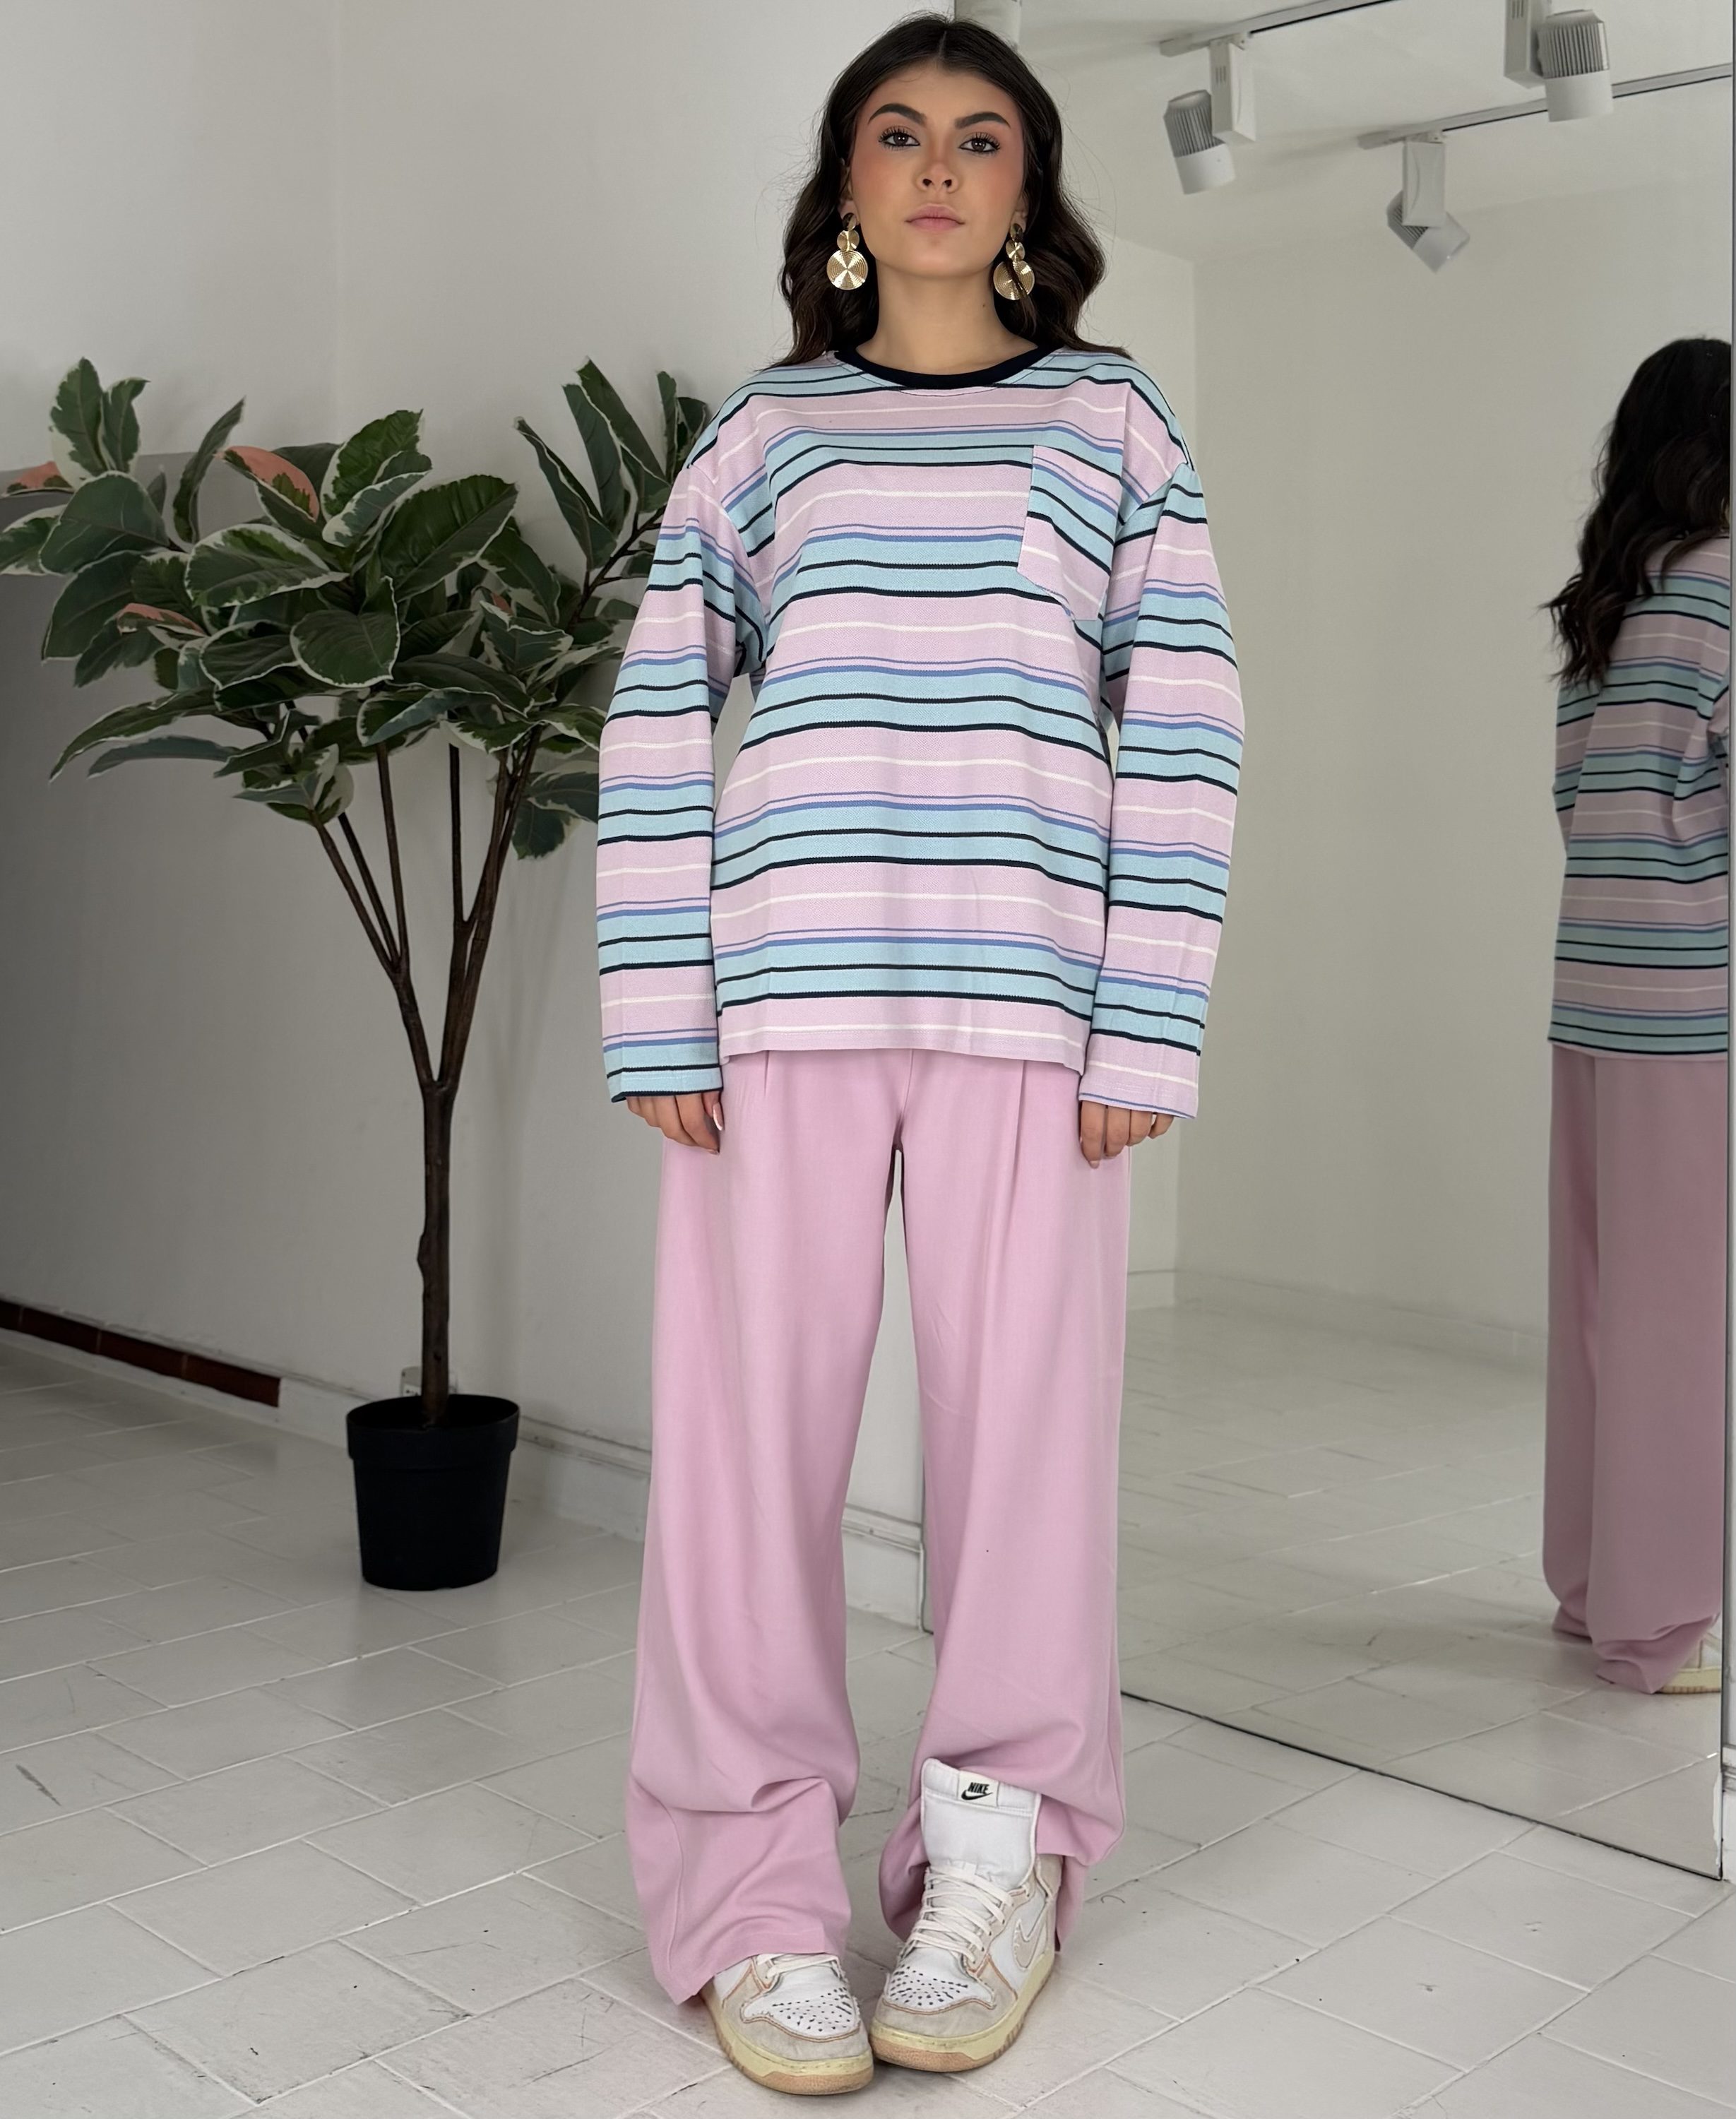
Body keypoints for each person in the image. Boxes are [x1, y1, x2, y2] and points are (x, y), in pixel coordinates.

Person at [593, 13, 1242, 2094]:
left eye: (980, 137)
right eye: (899, 133)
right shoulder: (762, 432)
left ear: (1027, 189)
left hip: (1031, 1011)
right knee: (741, 1465)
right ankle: (749, 1894)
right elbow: (658, 712)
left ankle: (994, 1862)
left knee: (1024, 1456)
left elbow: (1189, 721)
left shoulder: (1111, 419)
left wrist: (1145, 1012)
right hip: (774, 1001)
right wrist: (656, 1004)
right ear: (848, 186)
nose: (939, 166)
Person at [1542, 336, 1730, 1699]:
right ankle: (1657, 1620)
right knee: (1681, 1319)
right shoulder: (1724, 590)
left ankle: (1594, 1585)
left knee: (1602, 1305)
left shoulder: (1607, 603)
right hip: (1694, 1007)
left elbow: (1574, 803)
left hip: (1592, 990)